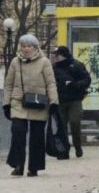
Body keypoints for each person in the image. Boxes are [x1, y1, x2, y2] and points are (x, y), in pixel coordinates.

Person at [4, 34, 59, 177]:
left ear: (35, 47)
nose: (26, 49)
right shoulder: (16, 62)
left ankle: (34, 167)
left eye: (29, 46)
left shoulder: (44, 62)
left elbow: (51, 83)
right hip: (18, 102)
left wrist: (53, 102)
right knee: (17, 132)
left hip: (38, 102)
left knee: (37, 136)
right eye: (23, 46)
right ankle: (18, 165)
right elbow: (8, 84)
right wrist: (6, 103)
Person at [52, 46, 91, 158]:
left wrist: (75, 85)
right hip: (60, 101)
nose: (55, 57)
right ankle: (64, 150)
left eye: (57, 55)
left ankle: (77, 146)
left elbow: (87, 79)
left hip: (75, 100)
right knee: (62, 126)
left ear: (64, 55)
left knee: (75, 122)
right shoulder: (54, 68)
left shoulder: (77, 65)